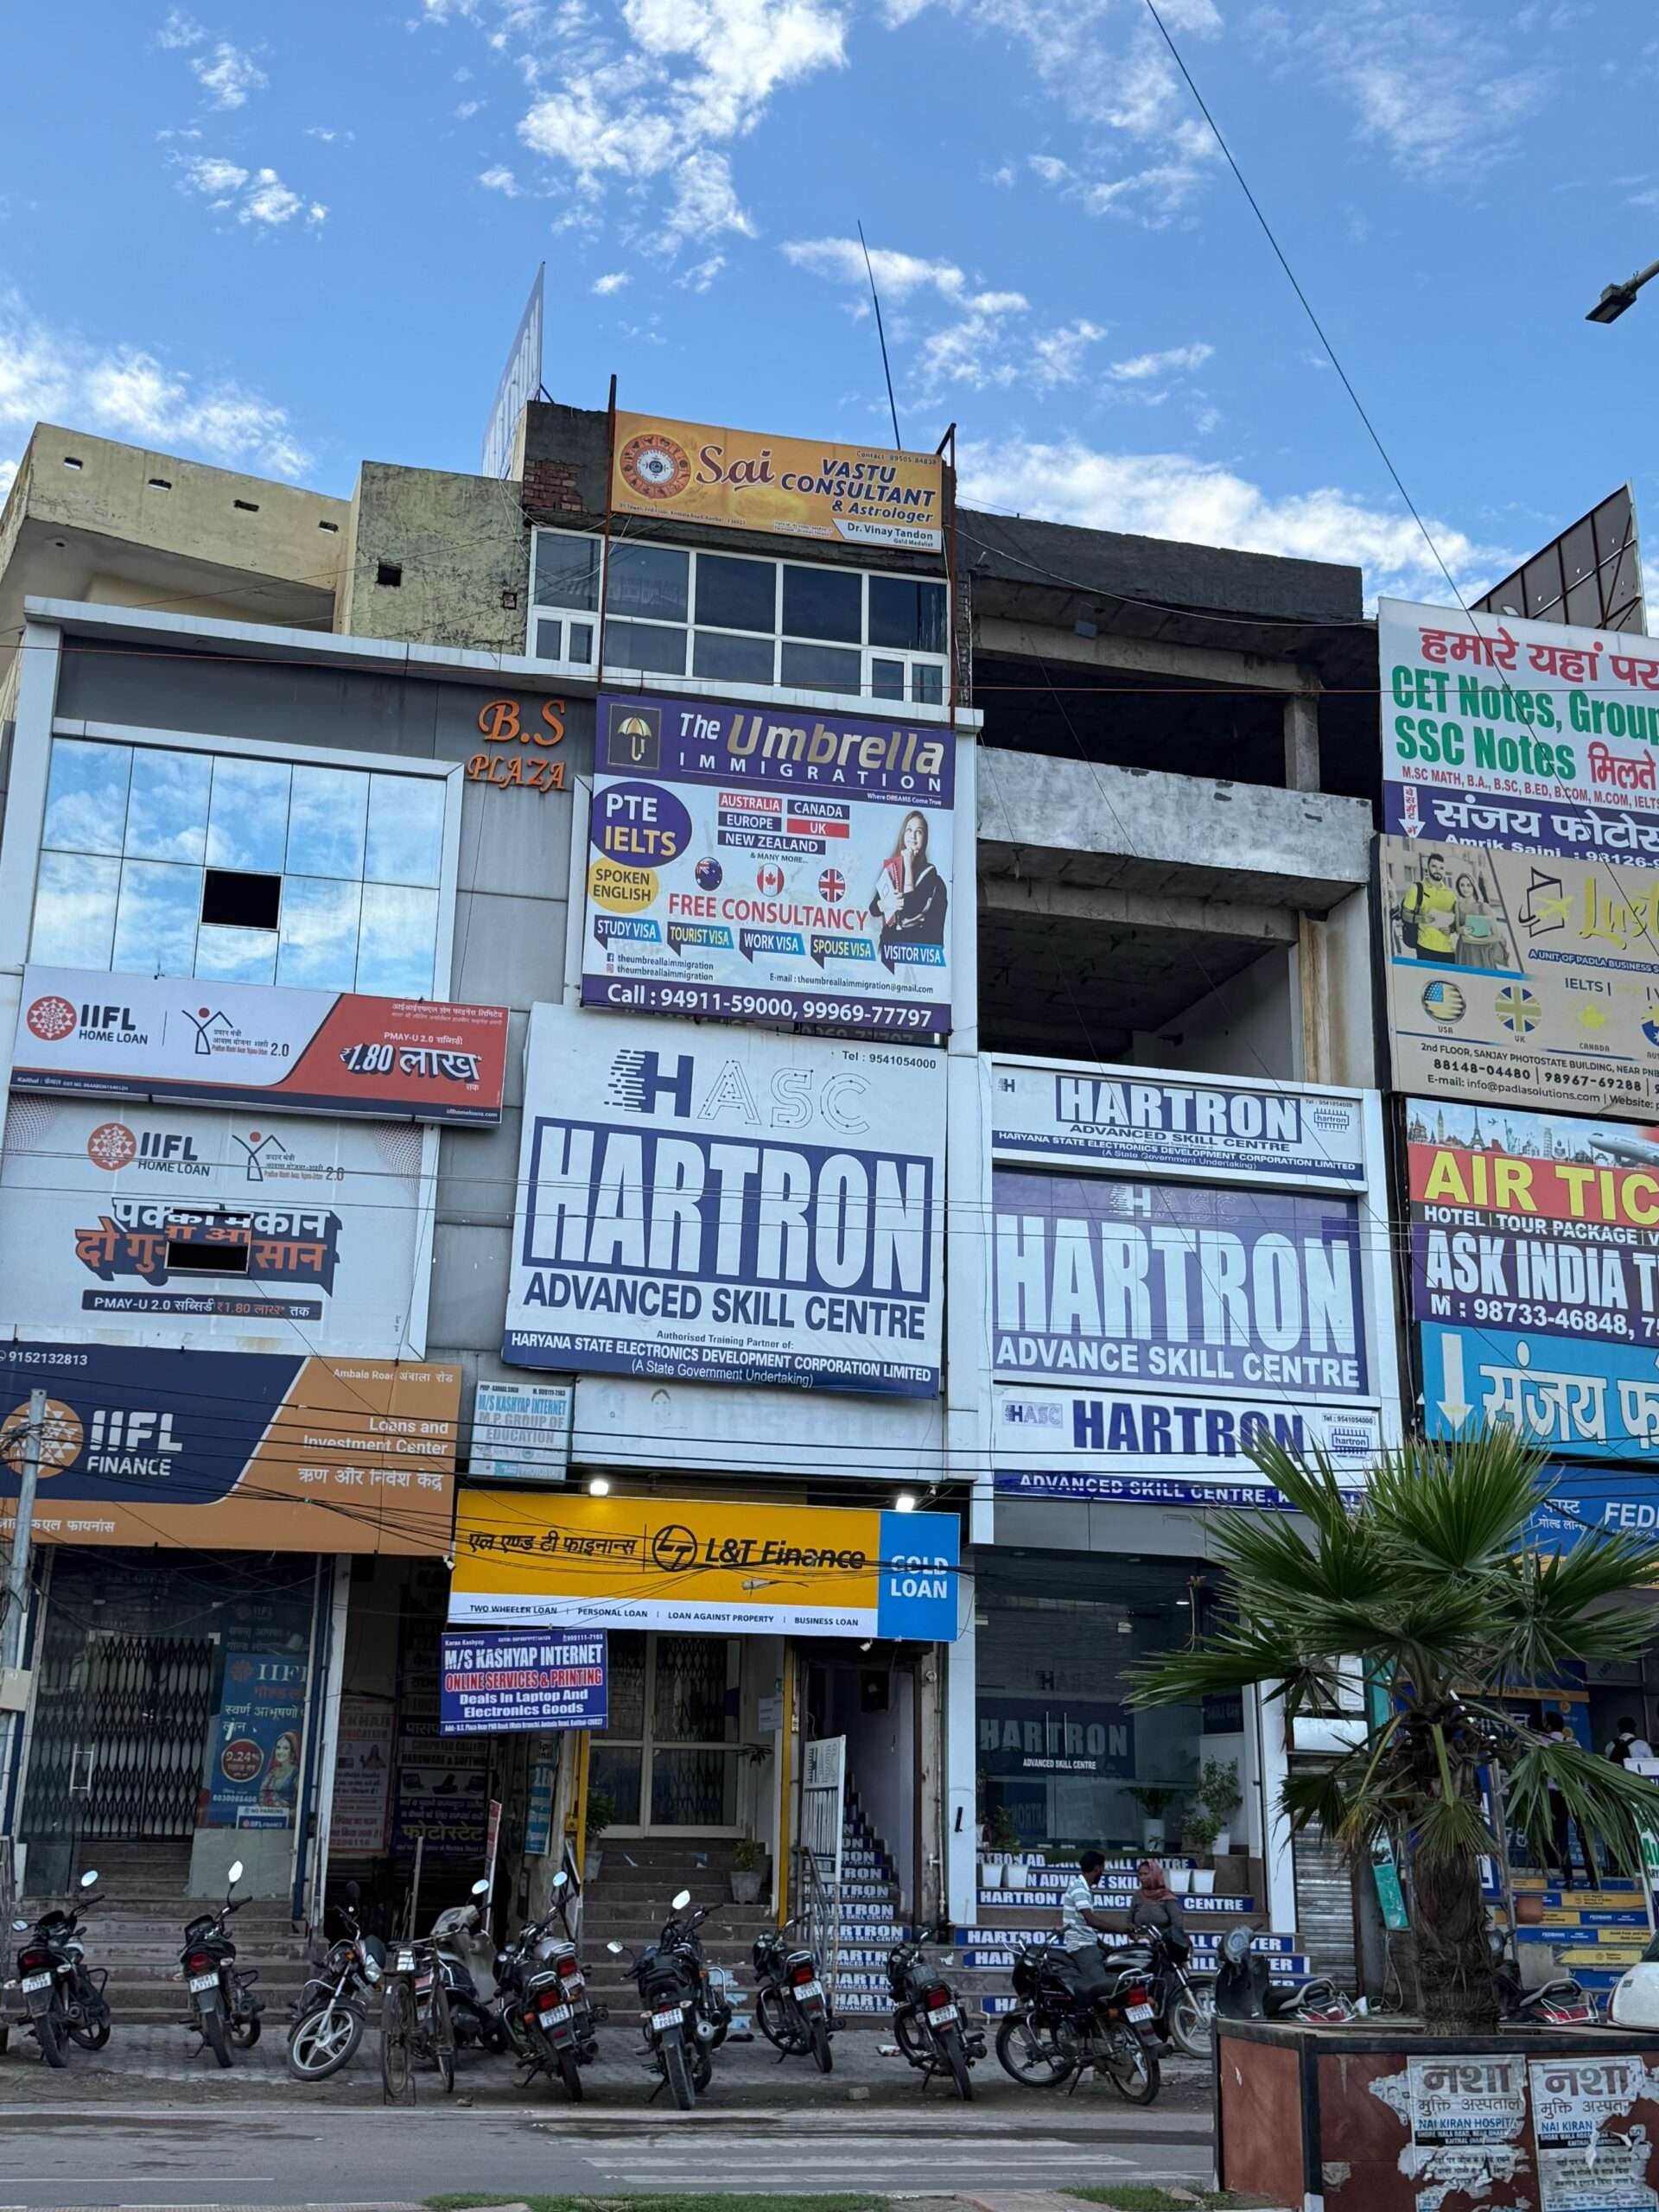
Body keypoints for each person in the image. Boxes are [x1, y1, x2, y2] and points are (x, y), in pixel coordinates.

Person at [869, 810, 947, 954]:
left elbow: (910, 909)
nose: (913, 836)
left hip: (913, 949)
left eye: (919, 832)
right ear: (903, 834)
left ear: (925, 838)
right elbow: (874, 908)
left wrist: (908, 864)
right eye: (909, 830)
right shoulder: (892, 869)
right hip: (889, 946)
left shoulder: (930, 873)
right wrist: (886, 904)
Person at [1059, 1847, 1119, 2012]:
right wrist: (1121, 1930)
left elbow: (1084, 1925)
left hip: (1089, 1944)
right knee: (1104, 1988)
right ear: (1097, 1868)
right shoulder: (1078, 1887)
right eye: (1103, 1868)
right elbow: (1090, 1920)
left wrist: (1102, 1945)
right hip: (1082, 1948)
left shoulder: (1083, 1887)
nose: (1103, 1872)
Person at [1542, 1711, 1588, 1885]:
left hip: (1553, 1794)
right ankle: (1592, 1877)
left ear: (1547, 1725)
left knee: (1561, 1836)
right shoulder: (1573, 1744)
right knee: (1582, 1834)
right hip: (1573, 1793)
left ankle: (1568, 1875)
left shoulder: (1543, 1743)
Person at [1402, 853, 1459, 962]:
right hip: (1425, 947)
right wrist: (1421, 919)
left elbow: (1458, 919)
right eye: (1434, 866)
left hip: (1448, 949)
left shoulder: (1450, 894)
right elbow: (1405, 914)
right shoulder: (1417, 888)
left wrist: (1451, 929)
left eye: (1441, 868)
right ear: (1428, 868)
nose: (1438, 870)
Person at [1128, 1858, 1185, 1940]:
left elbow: (1177, 1925)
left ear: (1155, 1874)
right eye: (1140, 1874)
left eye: (1145, 1874)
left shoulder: (1167, 1897)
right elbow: (1129, 1921)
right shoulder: (1137, 1895)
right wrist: (1135, 1935)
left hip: (1163, 1944)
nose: (1142, 1878)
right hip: (1141, 1943)